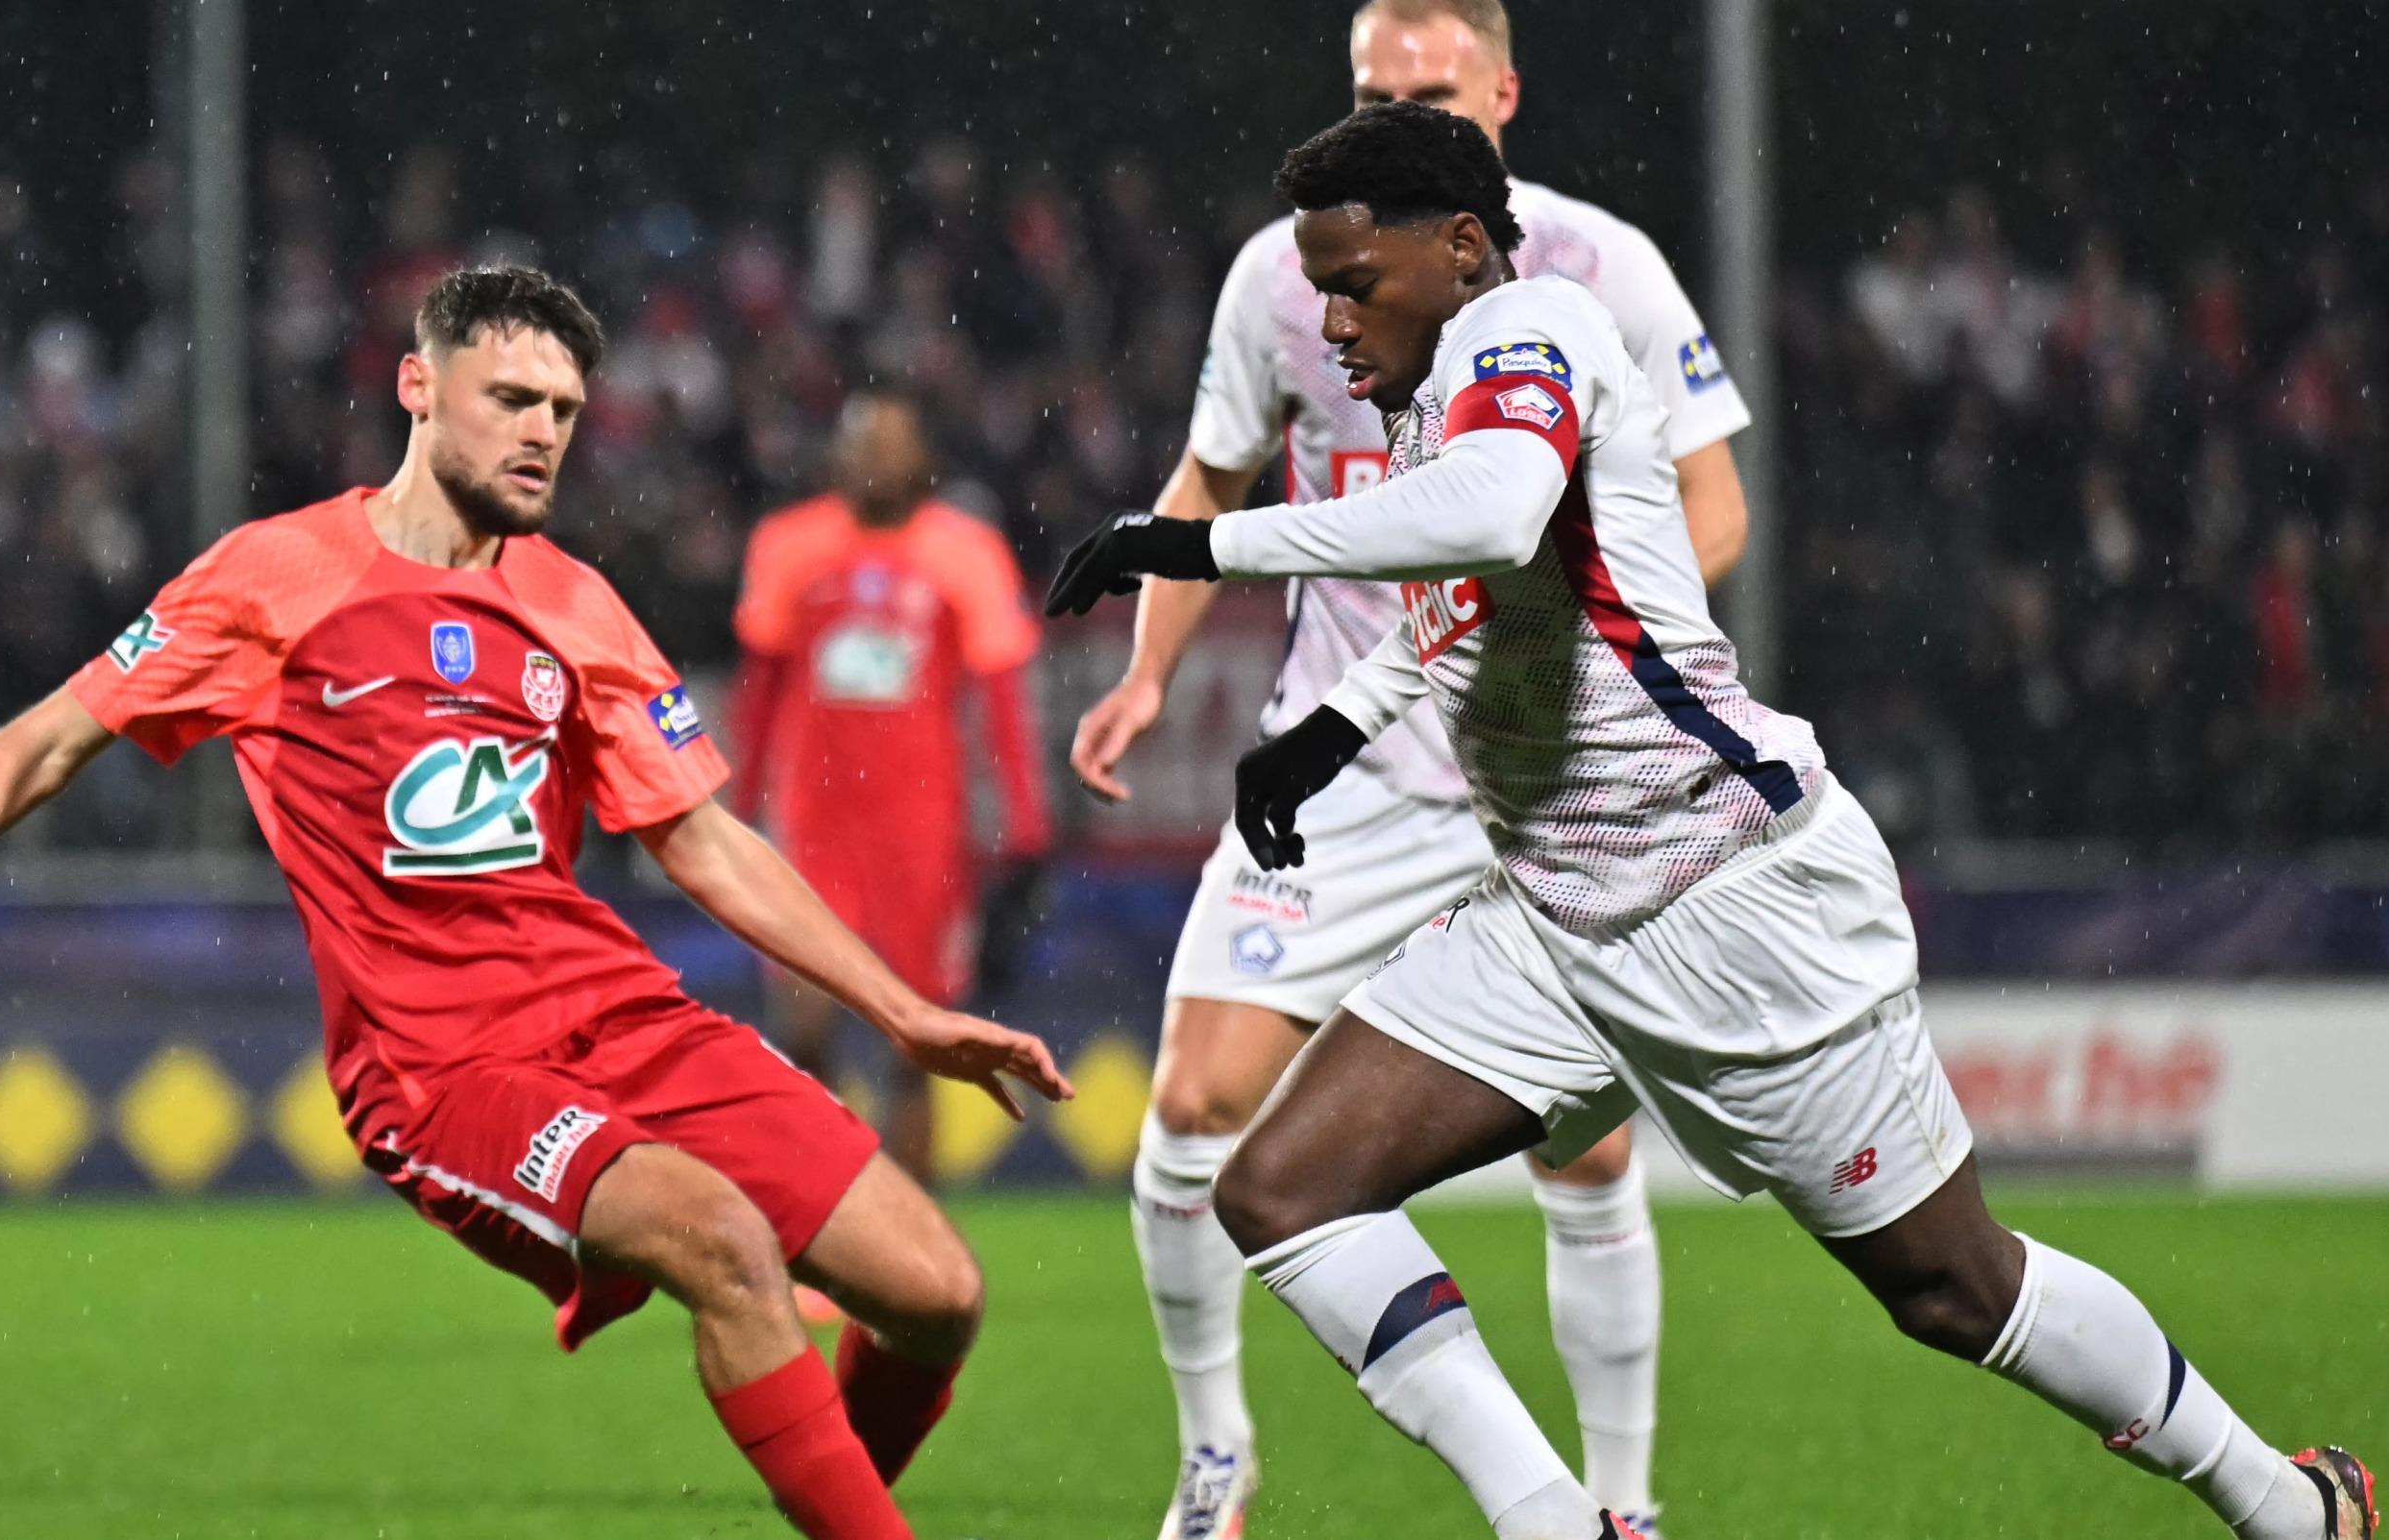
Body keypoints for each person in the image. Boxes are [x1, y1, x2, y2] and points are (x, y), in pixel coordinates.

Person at [1044, 104, 2375, 1540]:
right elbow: (1483, 595)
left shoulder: (1530, 324)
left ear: (1461, 247)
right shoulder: (1429, 389)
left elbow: (1492, 518)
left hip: (1726, 891)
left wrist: (1197, 542)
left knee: (1952, 1284)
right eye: (1315, 285)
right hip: (1553, 919)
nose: (1330, 315)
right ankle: (1555, 1521)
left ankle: (2287, 1506)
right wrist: (1327, 729)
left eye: (1353, 280)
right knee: (1284, 1188)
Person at [0, 265, 1074, 1540]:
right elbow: (46, 738)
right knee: (722, 1240)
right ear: (416, 388)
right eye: (511, 400)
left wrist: (903, 1010)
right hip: (442, 1066)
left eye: (562, 410)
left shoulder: (579, 604)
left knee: (936, 1293)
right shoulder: (273, 579)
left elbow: (706, 841)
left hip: (619, 1015)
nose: (543, 433)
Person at [1064, 2, 1747, 1531]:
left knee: (1584, 1153)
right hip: (1347, 769)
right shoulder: (1282, 272)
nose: (1396, 112)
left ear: (1499, 94)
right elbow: (1210, 472)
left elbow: (1712, 503)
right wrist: (1149, 673)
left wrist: (1615, 640)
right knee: (1191, 1111)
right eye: (1371, 90)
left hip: (1539, 777)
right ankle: (1215, 1459)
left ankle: (1617, 1503)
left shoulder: (1602, 270)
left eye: (1427, 91)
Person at [731, 392, 1053, 1184]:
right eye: (861, 445)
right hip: (815, 820)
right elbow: (760, 687)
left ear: (922, 461)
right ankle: (826, 1217)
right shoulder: (788, 544)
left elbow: (1004, 698)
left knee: (918, 1043)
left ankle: (910, 1255)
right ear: (837, 460)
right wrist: (735, 808)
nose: (875, 460)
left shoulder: (966, 552)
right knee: (804, 1027)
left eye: (891, 446)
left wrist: (1026, 820)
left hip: (922, 830)